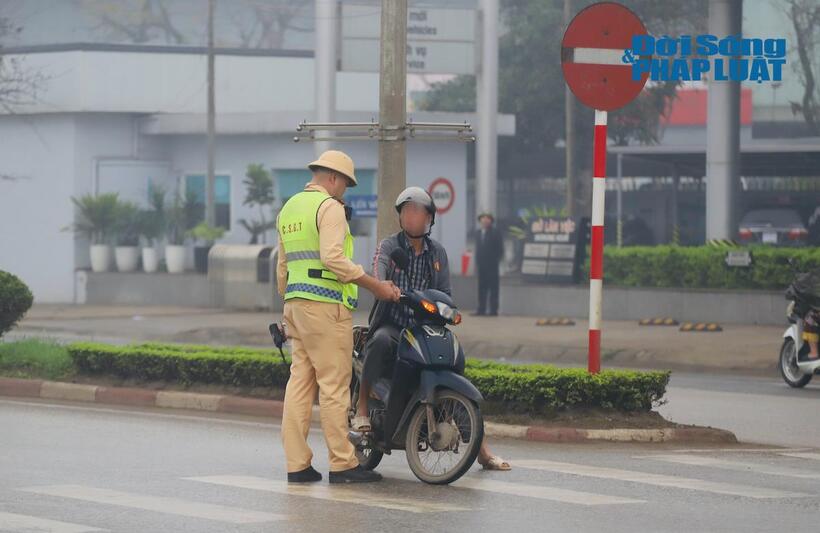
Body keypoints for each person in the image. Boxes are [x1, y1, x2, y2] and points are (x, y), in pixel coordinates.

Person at [354, 186, 511, 471]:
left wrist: (446, 309)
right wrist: (382, 286)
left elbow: (445, 293)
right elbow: (379, 268)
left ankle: (481, 448)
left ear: (429, 218)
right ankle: (362, 408)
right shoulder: (390, 246)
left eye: (418, 211)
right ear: (400, 217)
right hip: (394, 325)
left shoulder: (437, 253)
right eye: (407, 211)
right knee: (378, 342)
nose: (412, 216)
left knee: (454, 363)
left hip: (423, 328)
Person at [276, 150, 400, 484]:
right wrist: (374, 285)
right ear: (332, 177)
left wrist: (290, 306)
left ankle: (297, 464)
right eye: (345, 183)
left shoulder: (289, 208)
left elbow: (282, 268)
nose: (344, 190)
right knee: (334, 386)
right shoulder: (328, 207)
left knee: (300, 384)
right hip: (325, 306)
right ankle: (343, 464)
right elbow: (333, 259)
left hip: (296, 306)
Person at [473, 213, 504, 316]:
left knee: (493, 288)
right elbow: (478, 249)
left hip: (492, 265)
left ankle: (493, 310)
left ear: (491, 221)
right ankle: (481, 309)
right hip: (481, 266)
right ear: (480, 220)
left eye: (487, 219)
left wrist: (495, 260)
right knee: (481, 288)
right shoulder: (478, 233)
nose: (485, 220)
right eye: (483, 219)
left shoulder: (495, 232)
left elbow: (500, 249)